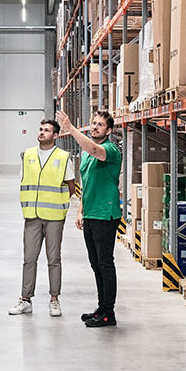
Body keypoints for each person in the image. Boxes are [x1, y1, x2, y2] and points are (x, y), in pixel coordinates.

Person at [55, 109, 122, 328]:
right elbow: (87, 184)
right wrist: (80, 210)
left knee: (105, 264)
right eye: (93, 123)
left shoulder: (111, 150)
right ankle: (101, 308)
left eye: (100, 125)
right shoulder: (85, 154)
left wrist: (70, 128)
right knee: (95, 264)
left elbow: (94, 149)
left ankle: (108, 314)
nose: (95, 127)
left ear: (109, 130)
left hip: (106, 214)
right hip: (91, 213)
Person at [8, 119, 78, 317]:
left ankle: (54, 299)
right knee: (29, 258)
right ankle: (25, 299)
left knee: (53, 259)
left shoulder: (64, 157)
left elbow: (71, 187)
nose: (42, 132)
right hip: (32, 215)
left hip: (55, 216)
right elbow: (24, 181)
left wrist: (60, 203)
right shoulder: (28, 155)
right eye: (40, 129)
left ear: (55, 136)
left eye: (47, 130)